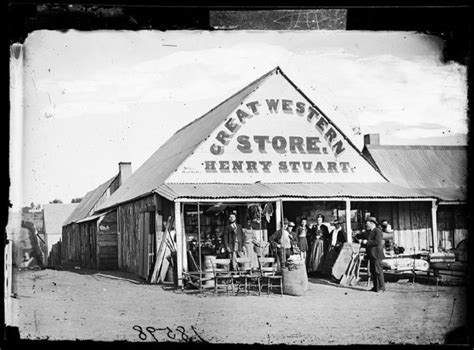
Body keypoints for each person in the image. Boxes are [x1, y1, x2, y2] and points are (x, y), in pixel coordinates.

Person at [360, 216, 386, 293]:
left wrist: (366, 242)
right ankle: (376, 287)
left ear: (372, 223)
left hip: (376, 254)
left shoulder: (377, 231)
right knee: (373, 271)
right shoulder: (369, 232)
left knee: (378, 271)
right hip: (371, 255)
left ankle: (381, 287)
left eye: (367, 223)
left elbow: (377, 242)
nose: (366, 225)